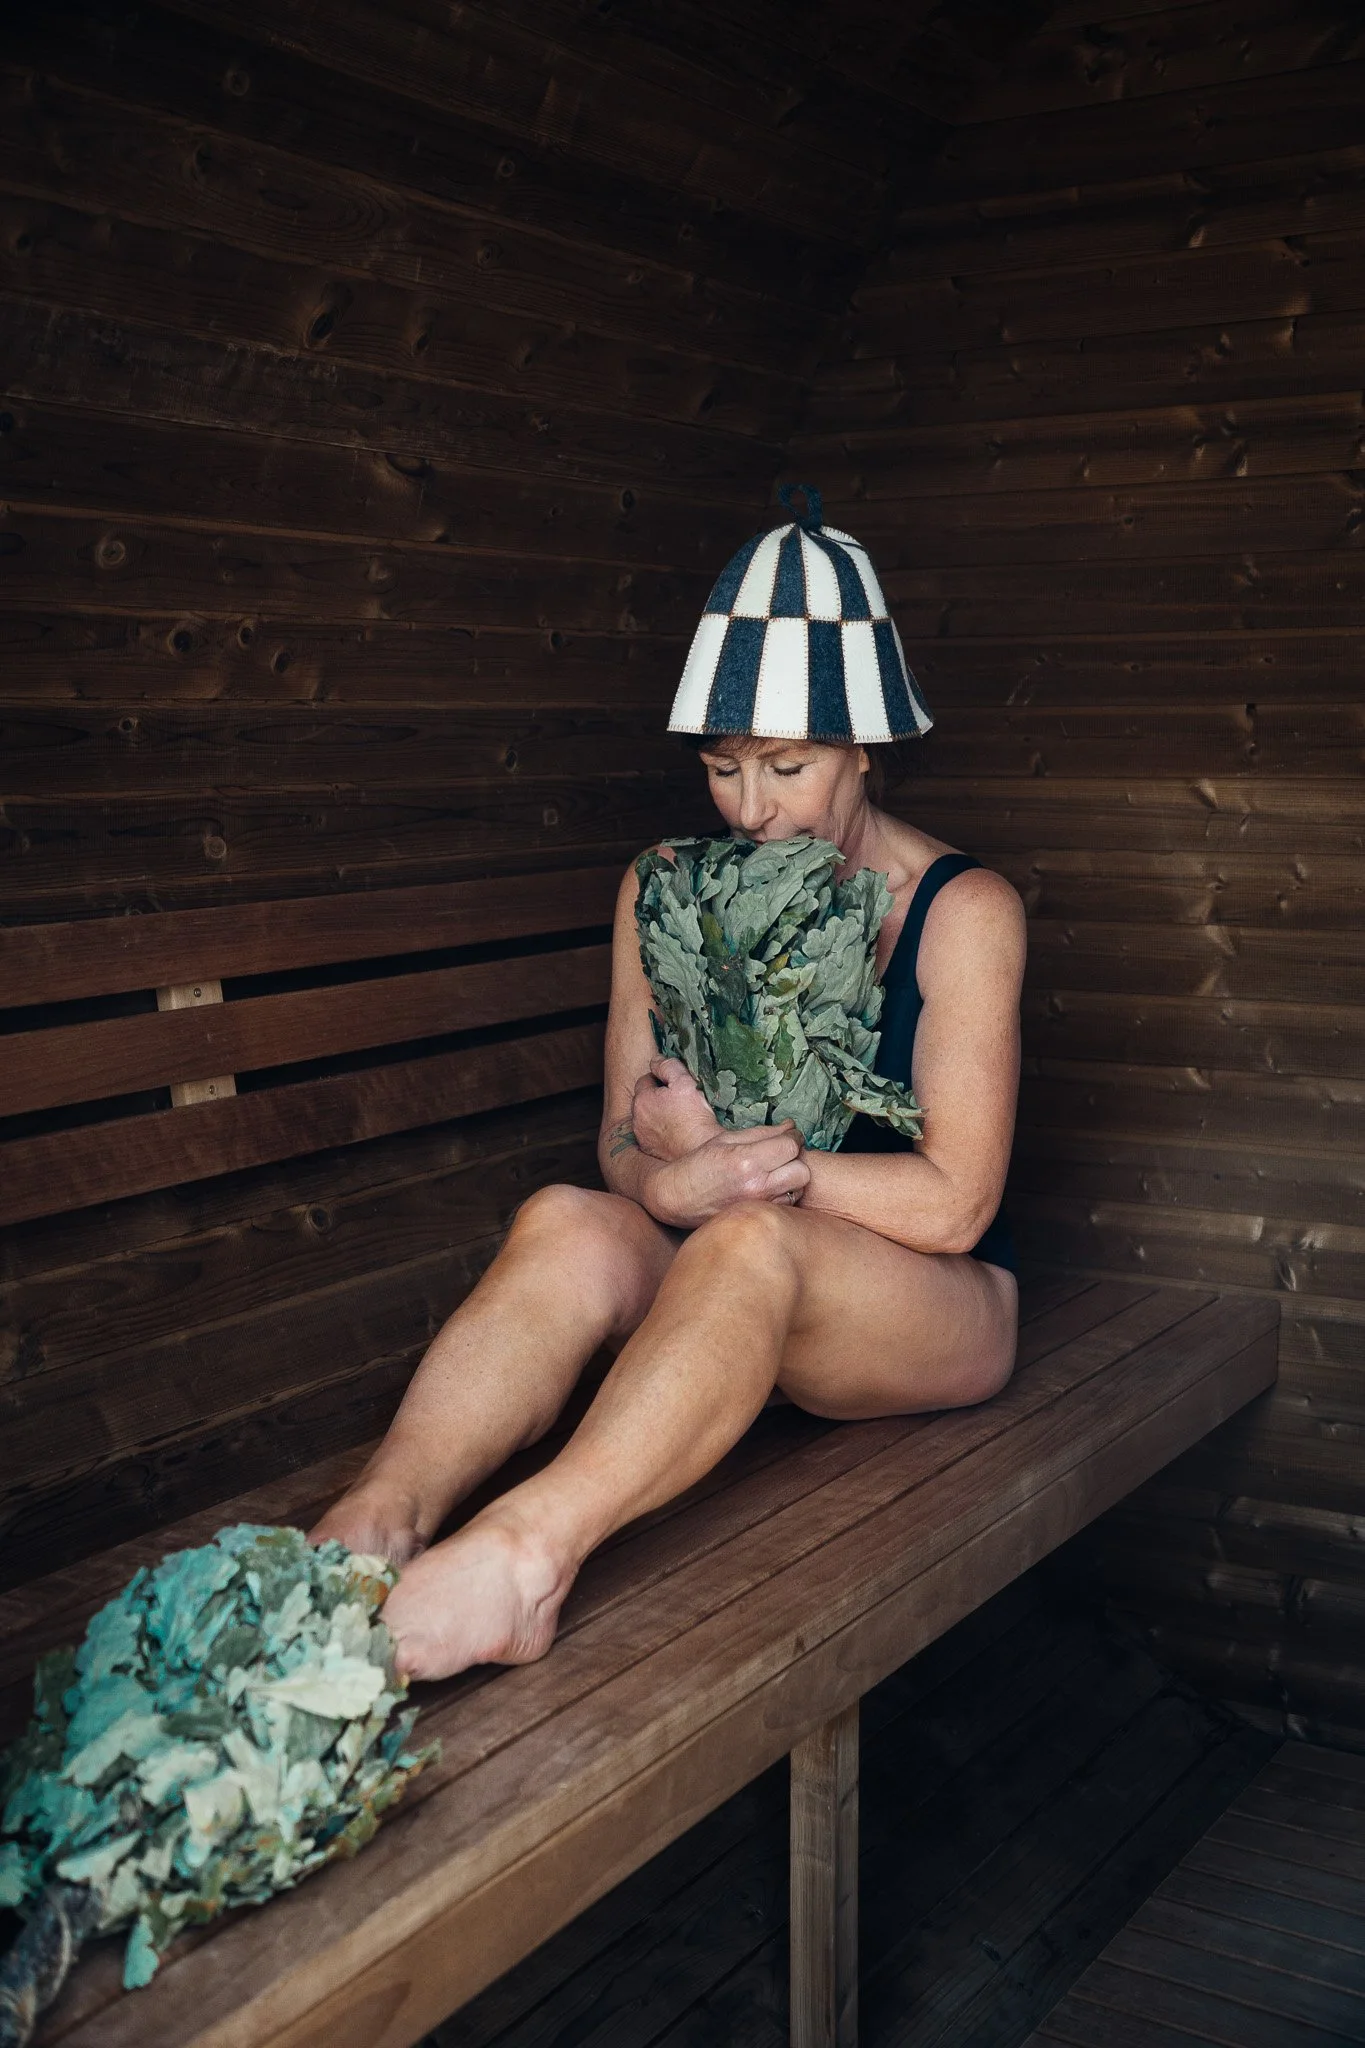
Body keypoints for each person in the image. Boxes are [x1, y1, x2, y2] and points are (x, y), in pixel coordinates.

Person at [311, 489, 1026, 1680]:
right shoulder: (660, 887)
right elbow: (616, 1151)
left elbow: (956, 1203)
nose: (752, 809)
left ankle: (524, 1560)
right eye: (722, 766)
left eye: (790, 766)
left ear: (866, 751)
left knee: (753, 1244)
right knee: (562, 1222)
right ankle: (374, 1518)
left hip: (925, 1310)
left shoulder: (965, 910)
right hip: (722, 1303)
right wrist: (670, 1173)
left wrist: (739, 1172)